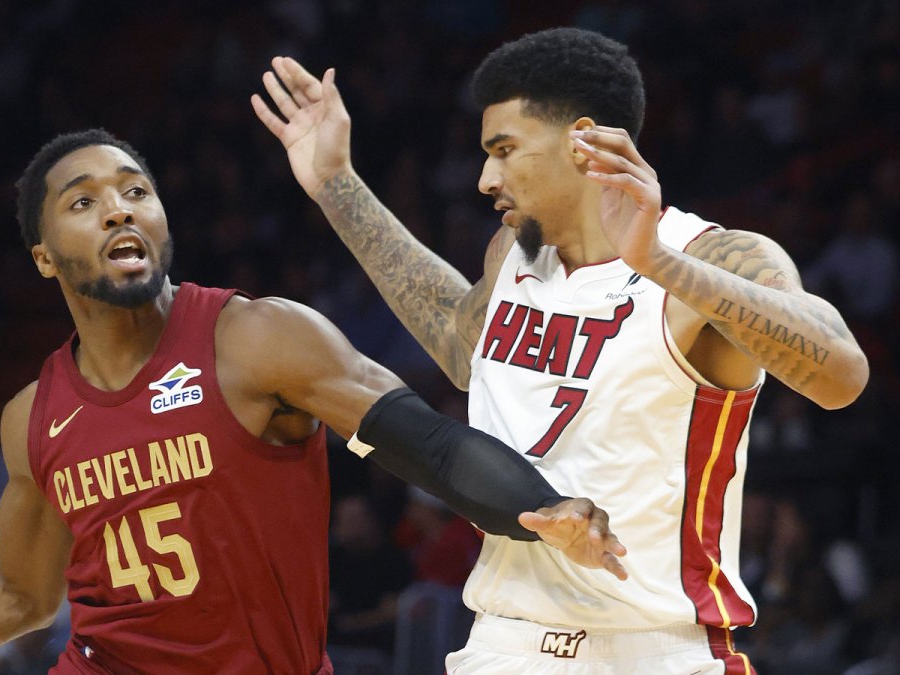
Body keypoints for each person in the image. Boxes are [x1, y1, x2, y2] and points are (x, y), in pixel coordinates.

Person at [0, 129, 626, 675]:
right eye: (84, 201)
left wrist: (541, 505)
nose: (119, 209)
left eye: (136, 191)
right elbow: (21, 592)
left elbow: (427, 441)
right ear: (43, 256)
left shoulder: (258, 338)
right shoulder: (33, 417)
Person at [252, 27, 869, 673]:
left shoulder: (708, 255)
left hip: (652, 650)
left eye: (505, 150)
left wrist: (658, 262)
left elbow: (842, 376)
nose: (486, 178)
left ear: (582, 142)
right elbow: (461, 345)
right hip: (501, 645)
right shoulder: (511, 255)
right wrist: (336, 184)